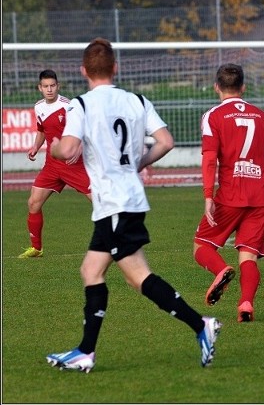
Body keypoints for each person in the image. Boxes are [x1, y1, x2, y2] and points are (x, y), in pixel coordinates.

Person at [47, 37, 221, 373]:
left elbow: (68, 150)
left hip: (114, 203)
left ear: (83, 70)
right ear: (115, 68)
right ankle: (86, 351)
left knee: (138, 277)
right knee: (91, 270)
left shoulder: (80, 105)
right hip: (126, 201)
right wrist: (137, 165)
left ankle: (201, 325)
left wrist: (53, 147)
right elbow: (166, 142)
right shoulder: (136, 100)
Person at [193, 63, 264, 323]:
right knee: (248, 255)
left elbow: (209, 158)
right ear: (244, 87)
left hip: (230, 195)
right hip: (260, 195)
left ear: (217, 87)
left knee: (201, 245)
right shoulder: (261, 115)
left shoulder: (213, 116)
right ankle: (246, 303)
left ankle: (221, 268)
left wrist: (207, 195)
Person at [18, 69, 92, 259]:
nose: (49, 89)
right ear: (40, 88)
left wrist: (79, 147)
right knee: (33, 202)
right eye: (46, 86)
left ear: (58, 86)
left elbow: (86, 129)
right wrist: (35, 146)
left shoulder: (69, 106)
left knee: (100, 202)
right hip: (52, 165)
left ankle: (118, 240)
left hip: (74, 164)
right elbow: (42, 130)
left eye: (53, 86)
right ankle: (36, 248)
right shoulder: (39, 107)